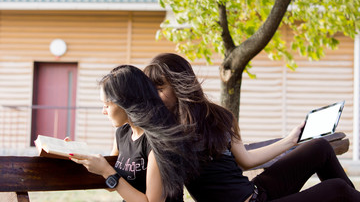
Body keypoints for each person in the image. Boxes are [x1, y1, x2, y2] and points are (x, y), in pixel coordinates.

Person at [144, 53, 360, 202]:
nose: (155, 95)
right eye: (151, 89)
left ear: (180, 85)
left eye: (160, 87)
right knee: (338, 191)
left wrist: (290, 140)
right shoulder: (166, 135)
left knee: (320, 146)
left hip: (256, 193)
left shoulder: (218, 117)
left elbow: (245, 160)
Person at [69, 65, 193, 202]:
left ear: (125, 103)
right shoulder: (122, 134)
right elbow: (111, 183)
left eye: (107, 105)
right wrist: (75, 155)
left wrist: (107, 172)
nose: (103, 111)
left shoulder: (159, 142)